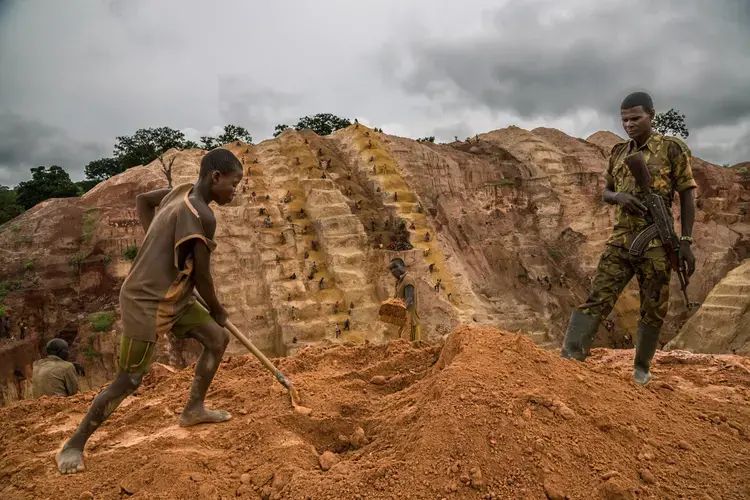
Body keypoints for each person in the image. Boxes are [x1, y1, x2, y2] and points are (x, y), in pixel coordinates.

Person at [56, 149, 243, 475]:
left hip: (174, 294)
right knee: (129, 380)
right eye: (234, 183)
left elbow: (144, 200)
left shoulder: (181, 190)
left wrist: (154, 244)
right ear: (216, 177)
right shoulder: (203, 217)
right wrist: (219, 310)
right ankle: (75, 443)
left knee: (217, 340)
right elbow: (202, 276)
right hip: (145, 300)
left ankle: (194, 409)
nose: (235, 190)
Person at [560, 92, 697, 387]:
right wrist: (619, 197)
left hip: (657, 243)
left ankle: (641, 372)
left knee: (653, 307)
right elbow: (606, 192)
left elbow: (687, 194)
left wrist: (685, 240)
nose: (629, 124)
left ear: (651, 115)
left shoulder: (672, 149)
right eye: (624, 119)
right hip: (621, 240)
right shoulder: (619, 152)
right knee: (597, 299)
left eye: (635, 118)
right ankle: (568, 363)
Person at [388, 258, 421, 342]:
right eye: (391, 269)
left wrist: (399, 310)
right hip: (403, 321)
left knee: (412, 349)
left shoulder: (408, 279)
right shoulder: (398, 281)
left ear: (402, 266)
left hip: (411, 322)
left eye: (395, 267)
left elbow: (409, 300)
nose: (393, 271)